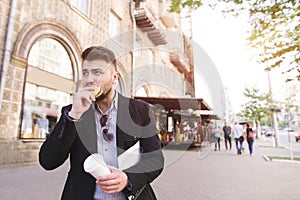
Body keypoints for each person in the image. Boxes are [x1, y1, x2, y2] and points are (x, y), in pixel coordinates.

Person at [39, 46, 164, 200]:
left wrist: (128, 178)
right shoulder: (73, 112)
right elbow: (48, 161)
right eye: (85, 73)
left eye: (97, 72)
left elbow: (155, 159)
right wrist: (74, 116)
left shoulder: (140, 111)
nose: (89, 79)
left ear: (115, 78)